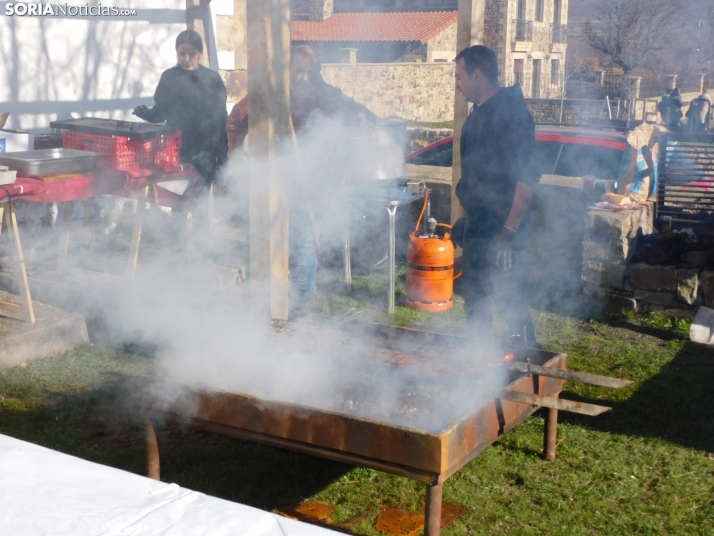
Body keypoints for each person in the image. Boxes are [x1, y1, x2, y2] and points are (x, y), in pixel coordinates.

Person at [225, 45, 375, 318]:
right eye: (298, 72)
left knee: (304, 245)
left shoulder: (329, 96)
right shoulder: (270, 96)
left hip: (315, 189)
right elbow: (235, 120)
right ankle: (258, 304)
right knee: (263, 240)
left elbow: (365, 119)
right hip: (273, 186)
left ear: (317, 73)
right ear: (287, 73)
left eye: (309, 72)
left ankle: (301, 310)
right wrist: (237, 161)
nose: (304, 78)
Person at [451, 45, 541, 347]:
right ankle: (479, 359)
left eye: (460, 76)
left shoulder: (513, 115)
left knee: (507, 297)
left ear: (478, 74)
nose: (457, 83)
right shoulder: (477, 116)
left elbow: (527, 178)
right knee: (474, 297)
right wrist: (465, 217)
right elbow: (476, 179)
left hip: (504, 227)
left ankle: (532, 364)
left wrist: (509, 231)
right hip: (479, 224)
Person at [133, 30, 228, 185]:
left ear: (201, 54)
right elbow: (160, 113)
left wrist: (222, 157)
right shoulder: (169, 77)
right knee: (178, 200)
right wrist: (146, 114)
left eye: (192, 54)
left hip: (206, 150)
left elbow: (221, 120)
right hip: (177, 150)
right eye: (181, 54)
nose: (186, 59)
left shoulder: (212, 79)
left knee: (200, 200)